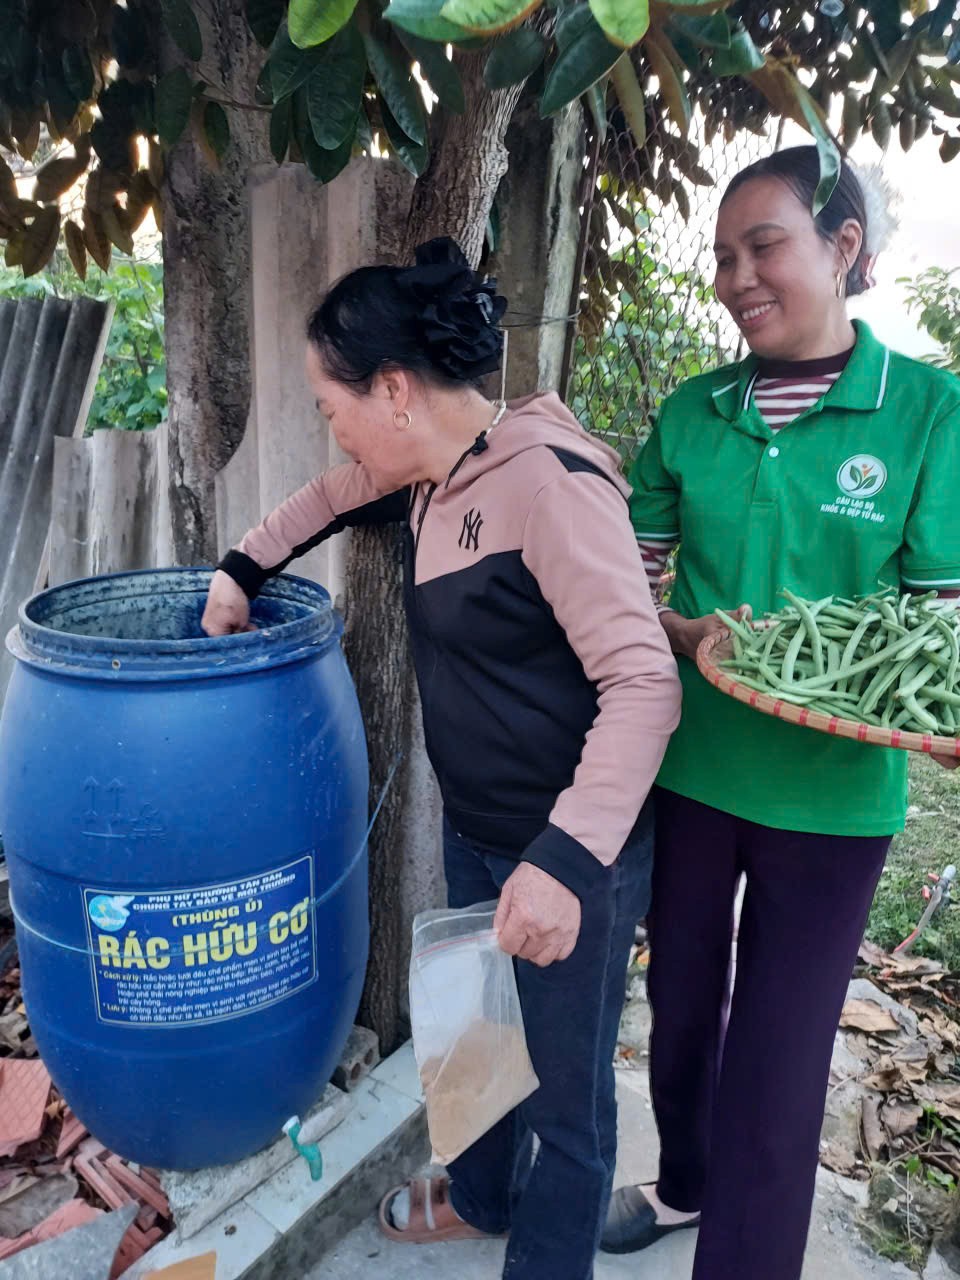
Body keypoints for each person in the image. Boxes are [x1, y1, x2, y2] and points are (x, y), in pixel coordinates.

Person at [202, 238, 682, 1280]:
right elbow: (327, 497)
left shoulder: (550, 486)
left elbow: (646, 684)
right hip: (479, 831)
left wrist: (564, 860)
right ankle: (479, 1194)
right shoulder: (427, 473)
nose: (333, 427)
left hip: (571, 855)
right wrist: (240, 566)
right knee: (477, 1040)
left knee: (566, 1094)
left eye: (336, 404)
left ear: (394, 388)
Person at [600, 146, 960, 1280]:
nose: (736, 277)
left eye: (765, 246)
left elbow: (935, 628)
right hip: (695, 766)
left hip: (836, 793)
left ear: (842, 248)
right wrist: (691, 638)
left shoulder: (929, 412)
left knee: (781, 1049)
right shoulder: (695, 411)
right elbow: (628, 588)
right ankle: (686, 1180)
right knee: (682, 995)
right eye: (722, 256)